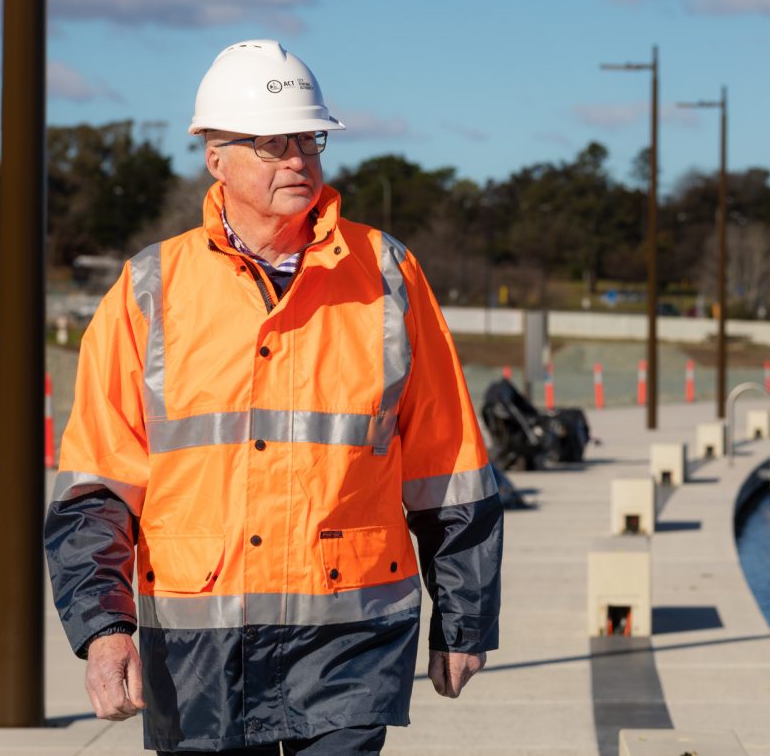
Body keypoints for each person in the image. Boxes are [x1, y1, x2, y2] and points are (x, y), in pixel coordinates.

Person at [44, 39, 504, 755]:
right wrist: (105, 631)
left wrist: (465, 620)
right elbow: (97, 485)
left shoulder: (386, 275)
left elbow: (448, 463)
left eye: (309, 138)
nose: (298, 159)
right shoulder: (149, 291)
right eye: (271, 142)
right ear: (215, 157)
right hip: (198, 643)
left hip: (351, 632)